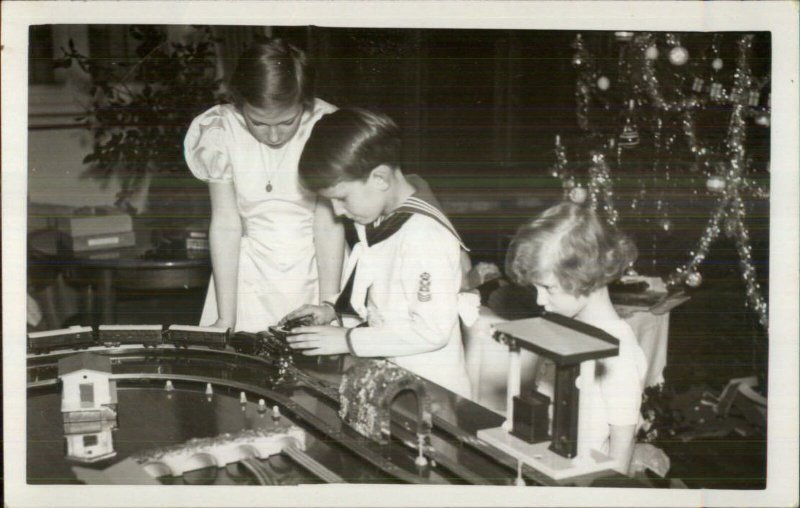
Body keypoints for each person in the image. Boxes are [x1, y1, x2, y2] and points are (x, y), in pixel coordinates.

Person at [280, 108, 472, 399]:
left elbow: (432, 331)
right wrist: (332, 308)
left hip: (430, 392)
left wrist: (347, 339)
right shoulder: (381, 213)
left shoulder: (424, 235)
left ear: (380, 178)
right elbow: (372, 283)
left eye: (342, 198)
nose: (337, 211)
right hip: (391, 378)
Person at [184, 39, 345, 332]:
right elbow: (226, 224)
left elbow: (327, 225)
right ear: (239, 102)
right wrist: (226, 317)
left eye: (287, 122)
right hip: (248, 277)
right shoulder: (220, 130)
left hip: (320, 267)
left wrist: (328, 306)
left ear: (305, 103)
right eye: (258, 123)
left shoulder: (326, 126)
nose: (273, 136)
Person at [505, 201, 646, 475]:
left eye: (548, 288)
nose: (539, 300)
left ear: (584, 276)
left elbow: (621, 449)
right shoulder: (562, 327)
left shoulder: (619, 351)